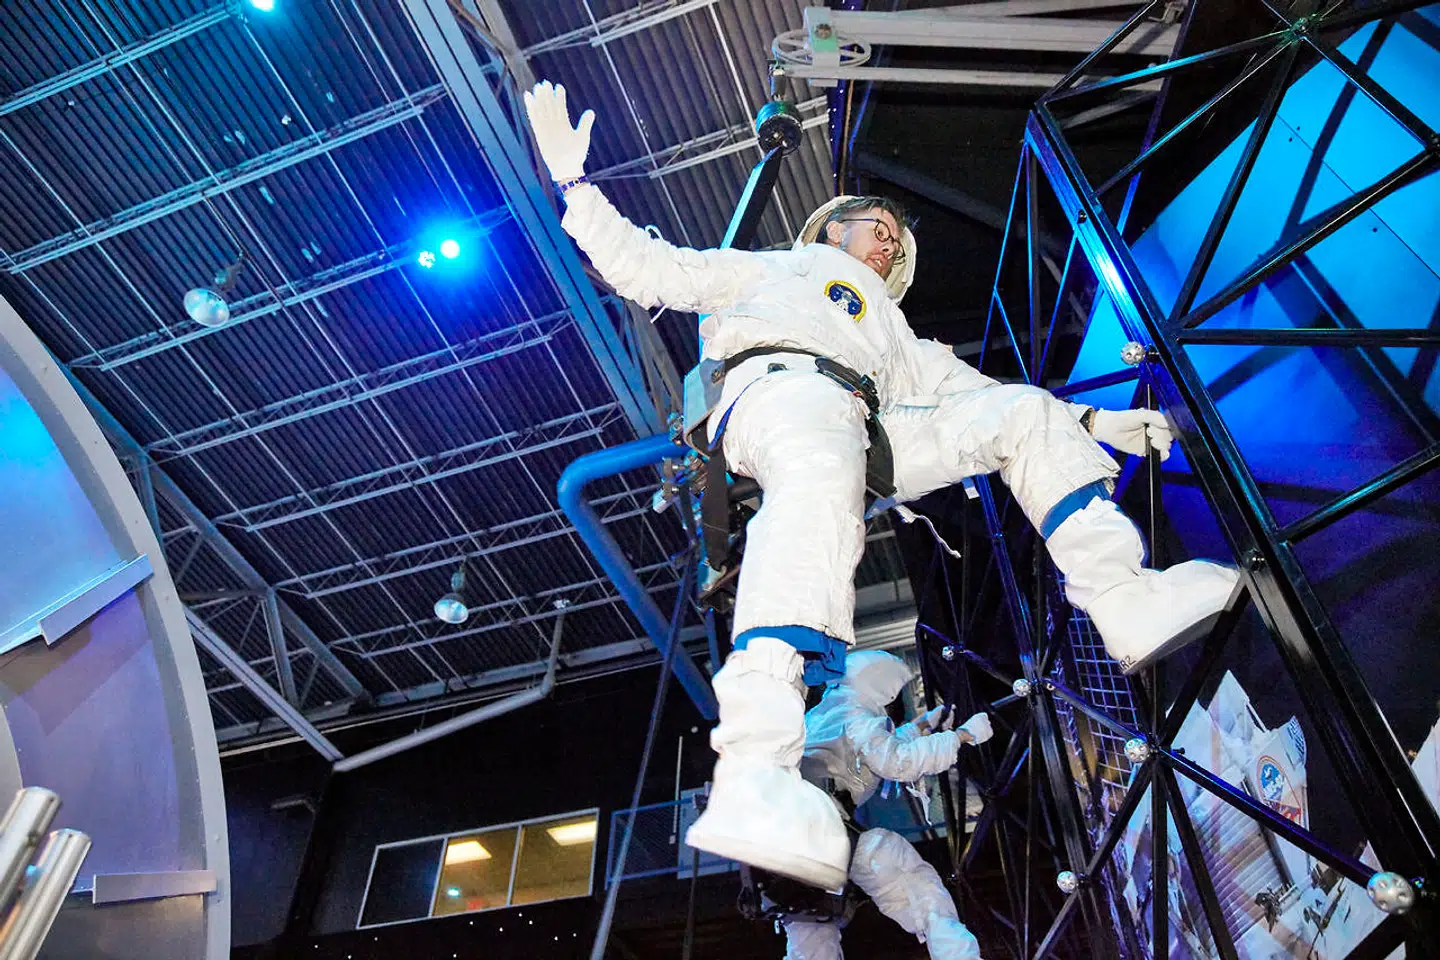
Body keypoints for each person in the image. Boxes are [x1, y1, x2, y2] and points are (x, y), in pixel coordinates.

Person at [523, 81, 1238, 891]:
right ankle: (757, 767)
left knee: (1018, 414)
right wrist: (575, 188)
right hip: (781, 392)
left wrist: (1097, 427)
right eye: (881, 229)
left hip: (871, 424)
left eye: (898, 245)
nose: (890, 246)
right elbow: (649, 268)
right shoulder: (772, 266)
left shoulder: (895, 333)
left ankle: (1123, 597)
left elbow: (976, 395)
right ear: (831, 226)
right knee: (819, 476)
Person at [785, 650, 988, 960]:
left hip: (786, 845)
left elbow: (866, 754)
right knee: (911, 882)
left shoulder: (818, 717)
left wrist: (920, 727)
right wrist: (961, 737)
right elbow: (896, 761)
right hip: (823, 830)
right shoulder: (855, 715)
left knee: (810, 924)